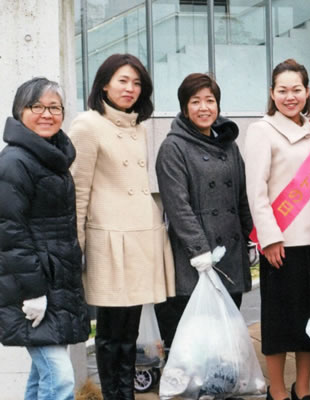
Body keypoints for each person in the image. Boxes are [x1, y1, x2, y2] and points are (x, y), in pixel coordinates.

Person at [69, 53, 175, 399]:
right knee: (110, 333)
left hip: (141, 238)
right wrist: (76, 247)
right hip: (109, 242)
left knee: (130, 332)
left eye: (136, 83)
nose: (130, 88)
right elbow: (78, 192)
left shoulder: (138, 128)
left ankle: (125, 394)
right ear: (104, 84)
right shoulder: (87, 125)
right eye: (122, 81)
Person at [0, 77, 90, 400]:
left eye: (54, 107)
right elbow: (9, 233)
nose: (47, 114)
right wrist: (33, 292)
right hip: (31, 289)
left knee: (44, 375)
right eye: (37, 106)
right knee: (59, 377)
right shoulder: (15, 162)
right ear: (20, 111)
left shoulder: (52, 156)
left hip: (55, 285)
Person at [245, 59, 310, 400]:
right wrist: (269, 238)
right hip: (281, 244)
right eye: (283, 90)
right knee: (279, 324)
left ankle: (302, 389)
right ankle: (277, 391)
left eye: (297, 90)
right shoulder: (261, 131)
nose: (290, 97)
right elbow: (256, 190)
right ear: (272, 93)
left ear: (307, 92)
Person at [155, 73, 253, 349]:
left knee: (227, 335)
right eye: (195, 101)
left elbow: (241, 196)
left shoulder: (228, 144)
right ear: (184, 107)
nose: (204, 108)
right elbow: (177, 205)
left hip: (229, 253)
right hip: (194, 257)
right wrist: (199, 250)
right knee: (193, 340)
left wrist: (250, 238)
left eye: (210, 101)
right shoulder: (173, 147)